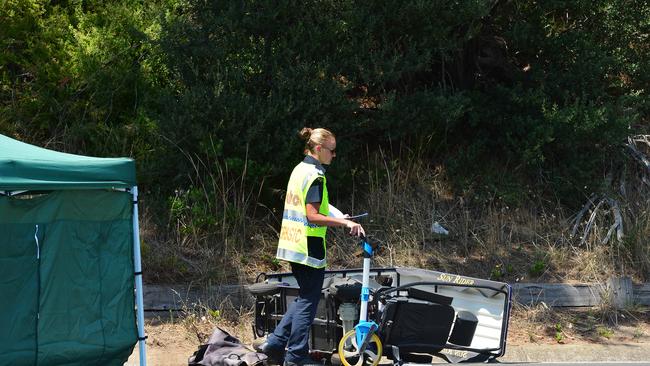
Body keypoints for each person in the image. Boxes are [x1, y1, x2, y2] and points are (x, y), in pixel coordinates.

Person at [256, 127, 365, 366]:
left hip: (292, 243)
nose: (334, 155)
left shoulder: (300, 169)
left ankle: (275, 343)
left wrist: (336, 213)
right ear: (318, 149)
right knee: (309, 299)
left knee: (305, 296)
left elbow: (315, 205)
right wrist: (344, 222)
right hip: (309, 246)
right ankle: (296, 356)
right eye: (331, 150)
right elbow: (312, 215)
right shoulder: (316, 175)